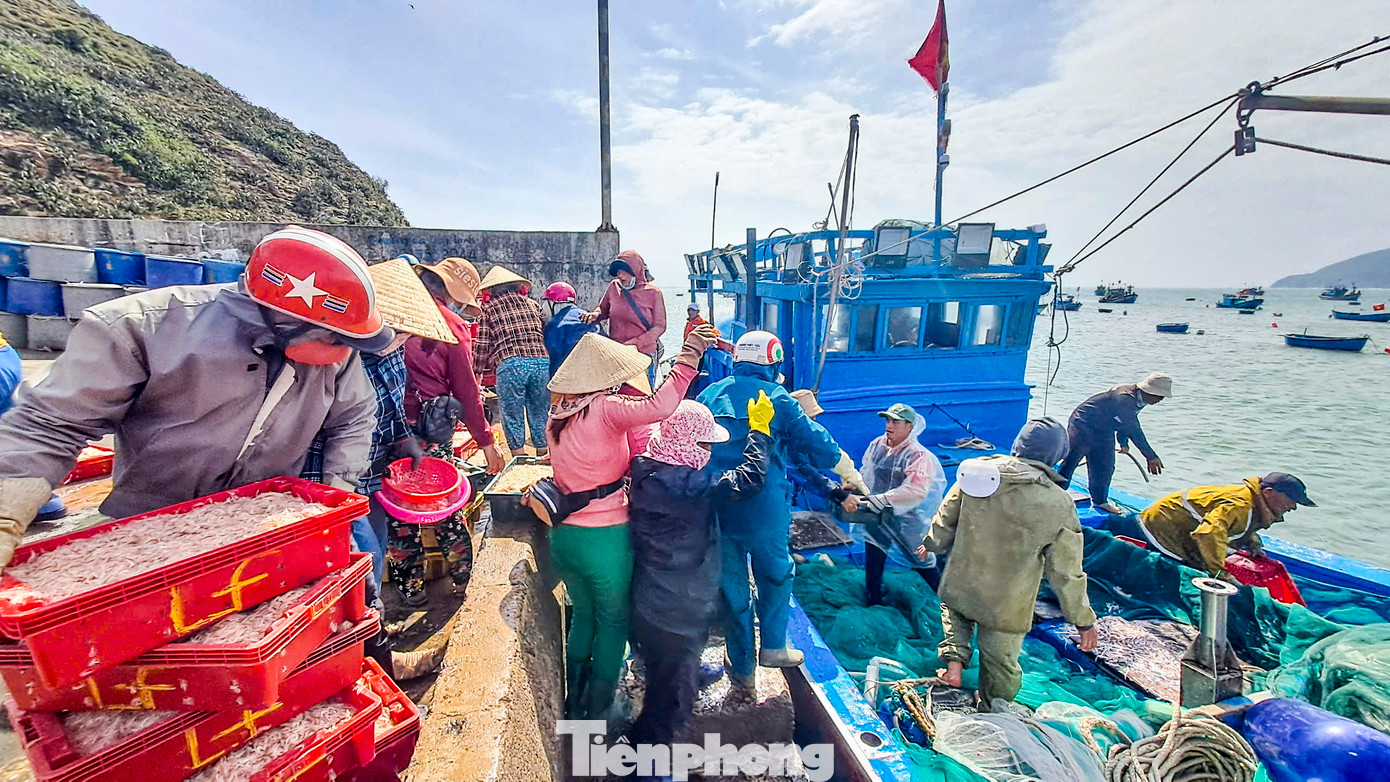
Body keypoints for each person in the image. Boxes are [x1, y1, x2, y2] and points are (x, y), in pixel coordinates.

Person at [0, 226, 389, 571]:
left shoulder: (334, 360)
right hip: (149, 530)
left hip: (261, 526)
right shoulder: (142, 329)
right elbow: (48, 425)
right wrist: (7, 516)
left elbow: (355, 416)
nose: (343, 354)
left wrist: (336, 493)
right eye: (334, 341)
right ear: (283, 323)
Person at [542, 326, 719, 720]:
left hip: (564, 536)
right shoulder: (604, 409)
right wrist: (689, 356)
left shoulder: (558, 412)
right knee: (613, 622)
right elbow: (661, 407)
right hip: (603, 540)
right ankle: (602, 708)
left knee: (584, 616)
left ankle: (574, 699)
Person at [628, 396, 773, 751]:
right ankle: (646, 758)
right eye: (705, 444)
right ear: (687, 442)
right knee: (669, 702)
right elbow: (749, 479)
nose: (709, 451)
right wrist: (760, 432)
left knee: (675, 660)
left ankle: (688, 671)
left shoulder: (646, 466)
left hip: (654, 595)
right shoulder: (690, 486)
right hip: (677, 606)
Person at [920, 418, 1098, 705]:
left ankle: (953, 667)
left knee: (955, 616)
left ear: (1018, 445)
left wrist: (930, 544)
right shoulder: (1058, 502)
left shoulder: (973, 475)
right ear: (1056, 456)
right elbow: (1066, 573)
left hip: (962, 584)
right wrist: (1083, 621)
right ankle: (992, 707)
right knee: (1001, 664)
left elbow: (944, 520)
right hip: (1007, 603)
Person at [697, 331, 840, 686]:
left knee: (732, 590)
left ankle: (743, 673)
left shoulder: (708, 393)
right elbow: (826, 453)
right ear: (773, 362)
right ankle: (774, 646)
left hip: (715, 506)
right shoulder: (776, 397)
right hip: (763, 508)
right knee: (776, 572)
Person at [405, 257, 504, 473]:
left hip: (381, 422)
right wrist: (486, 441)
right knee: (431, 490)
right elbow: (466, 391)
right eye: (460, 303)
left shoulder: (397, 310)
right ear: (451, 295)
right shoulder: (451, 323)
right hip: (425, 424)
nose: (459, 308)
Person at [1117, 473, 1315, 580]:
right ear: (1269, 492)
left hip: (1180, 527)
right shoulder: (1239, 505)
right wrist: (1220, 572)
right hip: (1162, 528)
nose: (1293, 507)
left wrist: (1253, 544)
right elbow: (1208, 534)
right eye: (1291, 500)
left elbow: (1243, 526)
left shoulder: (1252, 502)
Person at [841, 403, 947, 601]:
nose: (889, 425)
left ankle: (945, 602)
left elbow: (916, 490)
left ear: (910, 426)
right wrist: (854, 485)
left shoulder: (918, 456)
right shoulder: (877, 445)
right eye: (888, 420)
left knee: (921, 560)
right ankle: (873, 599)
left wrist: (882, 499)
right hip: (876, 514)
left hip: (908, 519)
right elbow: (866, 473)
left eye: (895, 422)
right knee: (874, 556)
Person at [1057, 373, 1173, 514]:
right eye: (1159, 396)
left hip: (1104, 428)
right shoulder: (1124, 398)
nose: (1160, 399)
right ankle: (1056, 494)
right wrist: (1151, 456)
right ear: (1148, 391)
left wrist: (1123, 442)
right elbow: (1133, 428)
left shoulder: (1140, 400)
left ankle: (1100, 502)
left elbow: (1125, 422)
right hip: (1083, 423)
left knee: (1105, 466)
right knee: (1071, 460)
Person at [475, 265, 549, 457]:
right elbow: (544, 333)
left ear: (492, 290)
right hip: (542, 363)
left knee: (512, 414)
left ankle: (519, 459)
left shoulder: (489, 309)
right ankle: (544, 454)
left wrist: (477, 372)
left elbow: (482, 345)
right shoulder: (533, 305)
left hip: (511, 365)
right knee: (540, 411)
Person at [581, 251, 667, 385]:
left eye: (624, 271)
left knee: (642, 396)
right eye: (618, 272)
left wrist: (636, 343)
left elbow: (660, 326)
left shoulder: (653, 293)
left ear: (636, 271)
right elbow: (603, 309)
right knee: (617, 394)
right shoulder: (614, 287)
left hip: (643, 354)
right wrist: (594, 315)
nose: (620, 276)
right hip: (618, 353)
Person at [786, 389, 867, 512]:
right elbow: (802, 469)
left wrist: (836, 488)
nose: (813, 422)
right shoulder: (788, 441)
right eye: (811, 418)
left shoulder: (787, 436)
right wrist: (837, 492)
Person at [541, 281, 596, 376]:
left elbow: (553, 361)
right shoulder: (589, 317)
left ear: (553, 302)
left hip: (568, 380)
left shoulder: (555, 326)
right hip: (595, 376)